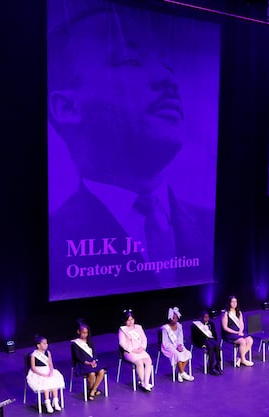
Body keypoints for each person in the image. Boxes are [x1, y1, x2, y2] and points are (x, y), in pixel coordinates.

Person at [47, 0, 218, 300]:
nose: (168, 80)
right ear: (67, 107)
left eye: (168, 65)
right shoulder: (54, 241)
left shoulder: (208, 225)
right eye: (130, 61)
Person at [119, 309, 155, 391]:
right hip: (129, 352)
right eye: (128, 320)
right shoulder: (122, 329)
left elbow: (144, 339)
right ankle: (144, 383)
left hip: (140, 350)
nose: (131, 322)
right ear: (125, 321)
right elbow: (122, 343)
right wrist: (133, 350)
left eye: (132, 319)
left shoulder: (139, 327)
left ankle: (146, 382)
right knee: (139, 362)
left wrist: (142, 348)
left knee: (148, 361)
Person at [28, 334, 66, 413]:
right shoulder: (34, 355)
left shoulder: (48, 353)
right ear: (38, 345)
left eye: (46, 343)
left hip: (48, 370)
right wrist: (42, 374)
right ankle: (47, 402)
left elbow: (50, 364)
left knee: (54, 382)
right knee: (45, 383)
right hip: (38, 373)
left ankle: (55, 401)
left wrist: (51, 371)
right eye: (44, 343)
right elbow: (33, 367)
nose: (46, 345)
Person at [71, 318, 106, 400]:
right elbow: (77, 356)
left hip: (92, 362)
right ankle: (92, 390)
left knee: (101, 371)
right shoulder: (75, 343)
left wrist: (93, 361)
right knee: (92, 373)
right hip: (82, 364)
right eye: (83, 333)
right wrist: (88, 363)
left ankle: (93, 390)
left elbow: (94, 353)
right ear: (78, 332)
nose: (85, 335)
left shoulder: (90, 341)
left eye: (86, 333)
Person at [160, 306, 194, 382]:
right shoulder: (165, 329)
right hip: (168, 347)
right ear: (170, 318)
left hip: (178, 345)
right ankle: (182, 372)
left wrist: (180, 345)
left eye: (176, 318)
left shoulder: (179, 326)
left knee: (187, 353)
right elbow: (165, 342)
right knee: (177, 355)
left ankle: (180, 373)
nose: (175, 320)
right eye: (174, 318)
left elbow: (180, 338)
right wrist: (175, 347)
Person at [220, 295, 254, 367]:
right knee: (242, 341)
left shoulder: (239, 312)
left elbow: (241, 324)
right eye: (232, 302)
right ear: (229, 303)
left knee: (250, 340)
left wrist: (241, 331)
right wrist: (236, 332)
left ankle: (239, 358)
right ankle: (243, 360)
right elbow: (225, 327)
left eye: (235, 302)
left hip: (239, 333)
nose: (234, 303)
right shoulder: (226, 313)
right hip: (229, 334)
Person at [191, 309, 223, 375]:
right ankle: (211, 367)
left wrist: (215, 341)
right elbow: (195, 338)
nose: (207, 318)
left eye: (208, 317)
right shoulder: (195, 326)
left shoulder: (211, 323)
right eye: (205, 317)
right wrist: (201, 345)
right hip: (203, 341)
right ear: (201, 317)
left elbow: (214, 334)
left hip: (211, 339)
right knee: (210, 347)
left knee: (217, 346)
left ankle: (218, 364)